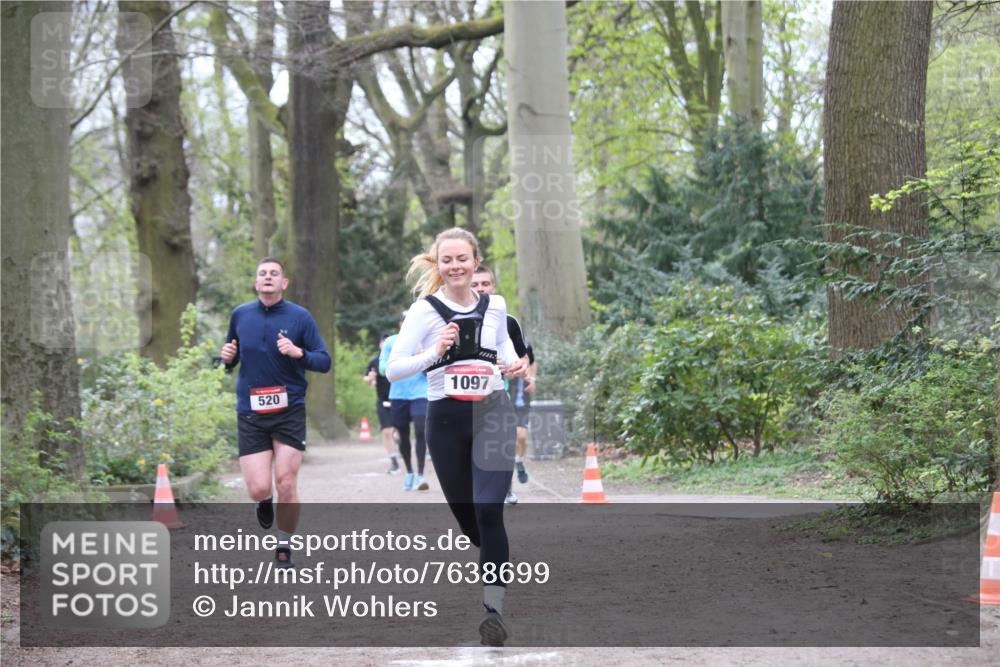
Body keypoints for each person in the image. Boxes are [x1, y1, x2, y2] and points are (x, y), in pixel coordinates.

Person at [386, 227, 527, 646]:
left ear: (475, 260)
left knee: (488, 510)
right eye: (446, 260)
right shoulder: (424, 312)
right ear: (438, 263)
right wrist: (437, 352)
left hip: (493, 412)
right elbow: (395, 369)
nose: (455, 266)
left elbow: (503, 350)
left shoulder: (496, 305)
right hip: (446, 419)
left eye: (462, 258)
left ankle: (493, 610)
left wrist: (514, 364)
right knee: (469, 520)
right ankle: (494, 559)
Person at [219, 257, 330, 568]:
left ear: (284, 283)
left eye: (274, 274)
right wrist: (225, 358)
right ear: (256, 283)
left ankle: (284, 545)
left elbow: (323, 361)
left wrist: (299, 353)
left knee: (285, 480)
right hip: (251, 412)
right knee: (258, 487)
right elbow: (229, 360)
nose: (267, 278)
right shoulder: (240, 315)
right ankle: (264, 502)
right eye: (262, 274)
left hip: (289, 409)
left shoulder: (300, 317)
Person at [471, 266, 537, 505]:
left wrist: (517, 369)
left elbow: (524, 357)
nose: (480, 289)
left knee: (504, 440)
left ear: (493, 287)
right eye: (475, 285)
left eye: (485, 284)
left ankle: (505, 487)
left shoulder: (507, 321)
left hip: (502, 391)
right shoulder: (456, 317)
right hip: (467, 394)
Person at [379, 313, 431, 491]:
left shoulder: (426, 341)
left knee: (420, 429)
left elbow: (434, 368)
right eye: (405, 321)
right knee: (402, 434)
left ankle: (421, 475)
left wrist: (423, 356)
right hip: (398, 395)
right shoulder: (391, 342)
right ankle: (409, 471)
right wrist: (404, 362)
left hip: (420, 393)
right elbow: (382, 368)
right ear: (401, 324)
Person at [365, 333, 400, 474]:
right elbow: (367, 380)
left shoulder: (399, 360)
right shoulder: (374, 362)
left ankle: (400, 446)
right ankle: (394, 462)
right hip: (383, 400)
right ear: (380, 345)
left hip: (398, 399)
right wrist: (370, 378)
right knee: (387, 432)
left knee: (398, 432)